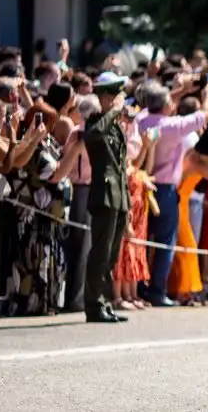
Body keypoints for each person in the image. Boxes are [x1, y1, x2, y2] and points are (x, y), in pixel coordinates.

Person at [82, 72, 132, 324]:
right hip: (103, 195)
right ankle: (93, 305)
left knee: (111, 254)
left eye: (116, 95)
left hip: (118, 196)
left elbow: (121, 167)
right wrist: (114, 112)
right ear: (102, 97)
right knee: (100, 252)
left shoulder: (114, 125)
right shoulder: (95, 122)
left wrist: (128, 202)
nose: (115, 100)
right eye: (111, 95)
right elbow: (93, 137)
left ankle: (105, 301)